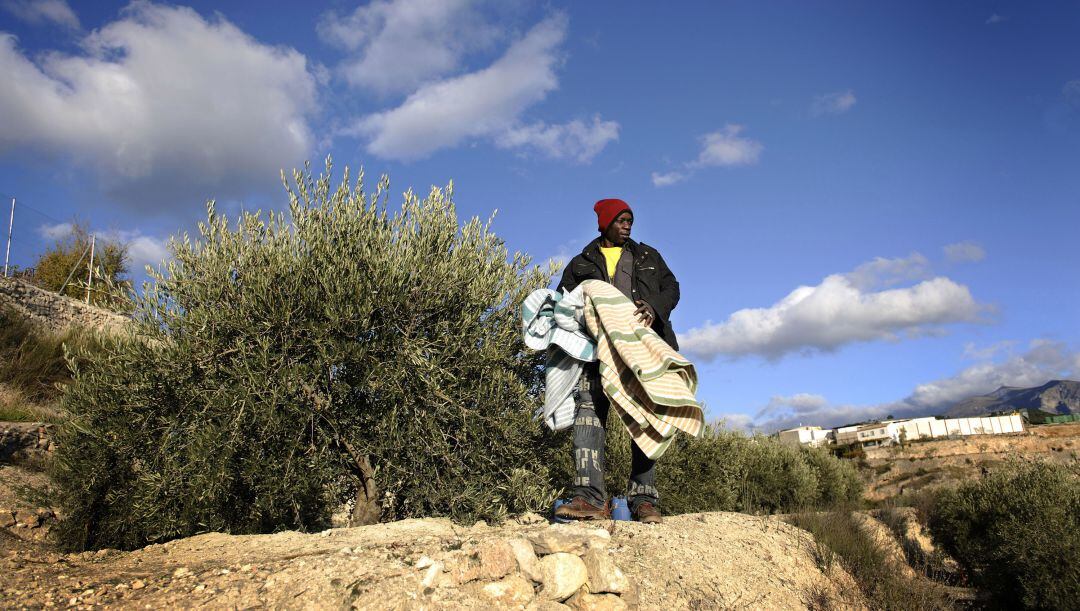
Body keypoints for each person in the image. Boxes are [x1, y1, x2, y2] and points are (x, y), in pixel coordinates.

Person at [553, 198, 680, 524]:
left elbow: (672, 288)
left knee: (647, 420)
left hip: (642, 350)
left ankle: (643, 500)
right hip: (594, 353)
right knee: (587, 418)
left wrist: (653, 305)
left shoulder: (648, 256)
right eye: (621, 220)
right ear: (605, 222)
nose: (627, 225)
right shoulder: (581, 263)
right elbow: (561, 304)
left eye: (630, 220)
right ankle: (589, 498)